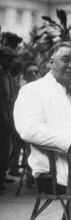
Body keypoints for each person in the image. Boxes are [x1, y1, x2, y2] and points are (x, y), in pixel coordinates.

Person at [13, 42, 71, 193]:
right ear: (51, 63)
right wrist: (70, 145)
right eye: (66, 60)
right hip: (56, 173)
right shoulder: (33, 91)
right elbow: (29, 129)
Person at [0, 46, 18, 190]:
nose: (11, 62)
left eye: (12, 59)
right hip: (2, 117)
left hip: (7, 117)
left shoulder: (9, 76)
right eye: (8, 59)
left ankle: (2, 177)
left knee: (7, 150)